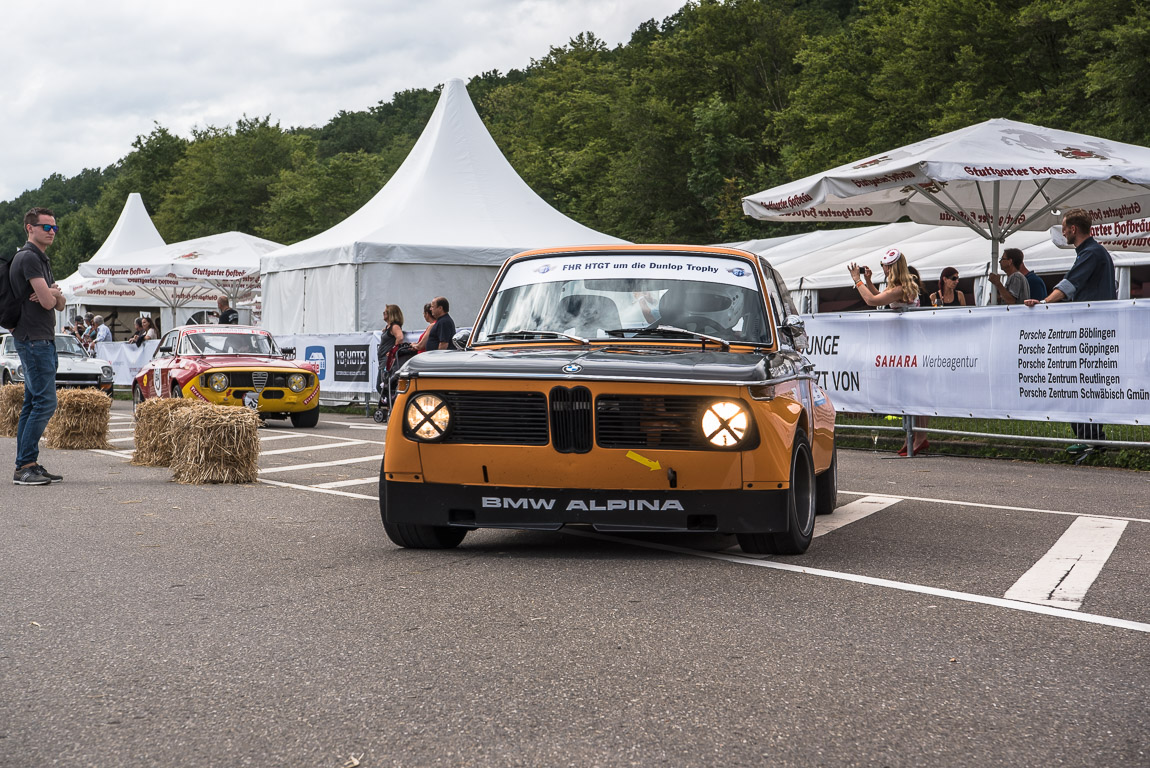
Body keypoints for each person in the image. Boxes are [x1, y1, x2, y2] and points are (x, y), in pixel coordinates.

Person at [1024, 208, 1118, 452]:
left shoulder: (1090, 253)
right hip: (1094, 329)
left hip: (1091, 330)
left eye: (1064, 227)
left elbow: (1069, 285)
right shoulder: (1094, 252)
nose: (1063, 231)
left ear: (1073, 229)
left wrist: (1044, 303)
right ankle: (1093, 439)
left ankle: (1091, 440)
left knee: (1078, 382)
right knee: (1082, 382)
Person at [848, 249, 928, 455]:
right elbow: (879, 295)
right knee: (911, 392)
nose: (883, 269)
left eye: (886, 266)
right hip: (905, 344)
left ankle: (920, 438)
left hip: (910, 344)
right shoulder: (901, 286)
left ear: (892, 267)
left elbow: (871, 301)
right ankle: (914, 437)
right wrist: (868, 281)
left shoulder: (902, 288)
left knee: (916, 393)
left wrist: (857, 281)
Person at [9, 207, 66, 485]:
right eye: (46, 227)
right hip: (34, 338)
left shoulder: (41, 259)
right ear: (30, 228)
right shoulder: (30, 258)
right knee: (45, 402)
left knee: (32, 403)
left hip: (39, 337)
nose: (52, 232)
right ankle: (24, 466)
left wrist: (54, 294)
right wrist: (53, 293)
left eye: (54, 227)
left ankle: (27, 462)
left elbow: (59, 302)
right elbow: (48, 302)